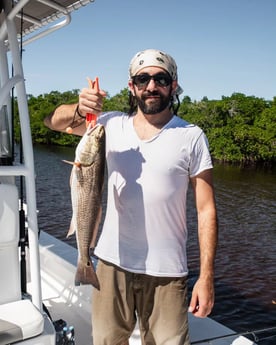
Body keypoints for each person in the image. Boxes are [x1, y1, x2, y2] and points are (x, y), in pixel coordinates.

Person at [44, 48, 218, 345]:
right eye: (142, 78)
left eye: (160, 78)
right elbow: (51, 122)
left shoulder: (192, 136)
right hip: (111, 265)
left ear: (173, 85)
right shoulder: (108, 125)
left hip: (168, 272)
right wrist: (78, 107)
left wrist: (206, 276)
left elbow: (206, 211)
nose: (151, 86)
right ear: (132, 86)